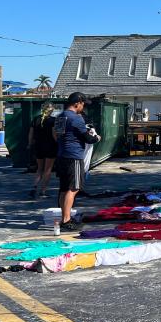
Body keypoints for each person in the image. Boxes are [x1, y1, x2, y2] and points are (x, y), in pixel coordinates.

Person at [53, 92, 99, 231]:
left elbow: (56, 135)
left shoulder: (60, 117)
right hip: (74, 157)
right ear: (77, 103)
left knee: (64, 188)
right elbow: (87, 138)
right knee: (73, 188)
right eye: (83, 104)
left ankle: (64, 217)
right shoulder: (77, 119)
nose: (83, 107)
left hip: (62, 155)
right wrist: (97, 138)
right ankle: (66, 220)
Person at [28, 102, 57, 199]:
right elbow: (54, 135)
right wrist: (59, 143)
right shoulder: (53, 120)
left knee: (39, 169)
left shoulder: (36, 119)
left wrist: (29, 144)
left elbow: (31, 134)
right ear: (51, 110)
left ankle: (34, 186)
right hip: (50, 146)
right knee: (47, 170)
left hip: (38, 146)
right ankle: (43, 191)